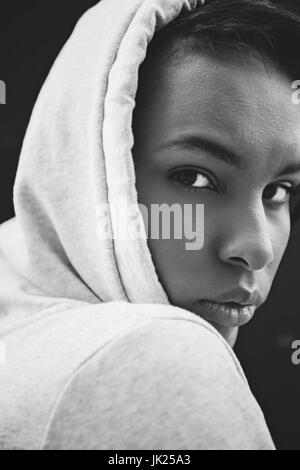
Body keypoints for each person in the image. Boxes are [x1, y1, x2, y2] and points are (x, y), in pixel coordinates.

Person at [0, 0, 299, 450]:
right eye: (195, 178)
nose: (257, 249)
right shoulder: (157, 353)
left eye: (278, 190)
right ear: (95, 169)